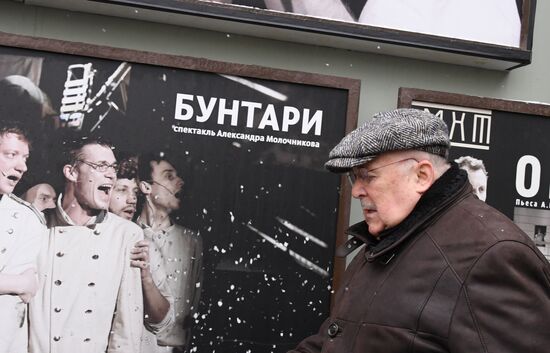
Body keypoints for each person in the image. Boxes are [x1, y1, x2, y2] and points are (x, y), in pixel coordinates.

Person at [289, 108, 550, 353]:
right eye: (353, 178)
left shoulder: (492, 255)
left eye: (367, 175)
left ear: (422, 176)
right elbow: (336, 340)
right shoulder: (386, 240)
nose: (356, 190)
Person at [28, 137, 144, 352]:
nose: (110, 174)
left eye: (113, 167)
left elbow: (127, 330)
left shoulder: (126, 235)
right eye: (100, 166)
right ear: (71, 172)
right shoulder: (35, 225)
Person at [108, 156, 175, 351]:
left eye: (135, 192)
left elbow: (162, 322)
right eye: (121, 190)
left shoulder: (144, 243)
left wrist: (146, 277)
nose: (132, 199)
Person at [137, 152, 203, 352]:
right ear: (146, 187)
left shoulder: (192, 241)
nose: (179, 182)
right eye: (169, 176)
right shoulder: (130, 235)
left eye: (179, 176)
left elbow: (193, 305)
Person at [0, 120, 45, 353]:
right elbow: (26, 284)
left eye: (25, 158)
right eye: (11, 154)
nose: (21, 167)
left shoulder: (27, 220)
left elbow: (24, 297)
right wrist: (17, 282)